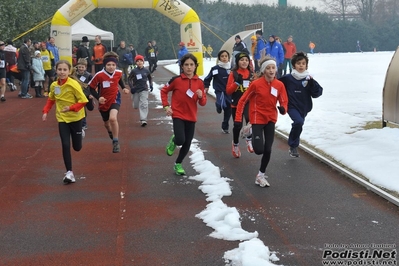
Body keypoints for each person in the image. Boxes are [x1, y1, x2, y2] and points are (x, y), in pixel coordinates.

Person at [234, 56, 288, 187]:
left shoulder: (279, 85)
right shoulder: (256, 84)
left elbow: (284, 101)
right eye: (268, 68)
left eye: (273, 68)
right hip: (257, 118)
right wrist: (237, 119)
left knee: (268, 150)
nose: (271, 70)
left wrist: (283, 109)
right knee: (259, 150)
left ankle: (260, 175)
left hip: (271, 119)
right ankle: (249, 130)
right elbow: (243, 100)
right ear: (264, 70)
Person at [42, 60, 88, 184]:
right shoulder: (54, 85)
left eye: (64, 70)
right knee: (65, 144)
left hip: (76, 118)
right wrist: (45, 111)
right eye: (59, 69)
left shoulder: (73, 84)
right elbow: (51, 99)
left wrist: (71, 108)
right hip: (62, 118)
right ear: (56, 70)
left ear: (69, 71)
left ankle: (80, 132)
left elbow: (83, 101)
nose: (62, 72)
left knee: (77, 147)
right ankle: (69, 172)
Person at [161, 53, 207, 175]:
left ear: (195, 66)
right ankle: (175, 139)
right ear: (182, 66)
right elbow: (164, 91)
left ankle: (178, 164)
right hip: (178, 114)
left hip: (191, 116)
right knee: (181, 140)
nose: (189, 67)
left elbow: (203, 103)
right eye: (186, 65)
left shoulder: (200, 83)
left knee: (187, 143)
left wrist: (201, 96)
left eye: (191, 65)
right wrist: (166, 106)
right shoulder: (176, 80)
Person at [279, 52, 323, 158]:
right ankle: (293, 146)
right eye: (299, 63)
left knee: (299, 124)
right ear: (294, 65)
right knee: (298, 121)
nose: (301, 65)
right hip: (291, 106)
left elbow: (318, 93)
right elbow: (276, 85)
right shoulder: (288, 78)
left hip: (304, 107)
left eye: (303, 63)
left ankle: (293, 143)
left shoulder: (309, 79)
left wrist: (312, 86)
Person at [88, 51, 130, 153]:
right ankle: (110, 131)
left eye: (113, 65)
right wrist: (98, 98)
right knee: (107, 123)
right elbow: (91, 88)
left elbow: (119, 80)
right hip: (103, 102)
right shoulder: (99, 75)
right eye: (108, 65)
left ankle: (115, 141)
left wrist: (124, 88)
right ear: (105, 65)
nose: (111, 67)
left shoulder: (119, 73)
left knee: (113, 118)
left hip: (115, 99)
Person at [226, 52, 254, 158]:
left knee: (250, 122)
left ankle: (249, 139)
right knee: (237, 125)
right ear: (237, 62)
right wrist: (236, 83)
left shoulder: (251, 73)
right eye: (242, 60)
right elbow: (228, 91)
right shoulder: (233, 74)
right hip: (236, 103)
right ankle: (236, 144)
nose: (244, 62)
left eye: (246, 60)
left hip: (248, 102)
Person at [203, 50, 232, 133]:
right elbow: (208, 78)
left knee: (228, 109)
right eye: (222, 56)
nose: (224, 58)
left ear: (228, 58)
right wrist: (206, 86)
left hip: (230, 92)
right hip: (220, 90)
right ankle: (218, 105)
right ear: (219, 58)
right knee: (221, 103)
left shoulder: (232, 68)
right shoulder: (215, 69)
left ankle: (225, 127)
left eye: (226, 56)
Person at [127, 54, 153, 127]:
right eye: (137, 61)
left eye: (141, 61)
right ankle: (136, 104)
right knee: (135, 105)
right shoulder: (134, 71)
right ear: (136, 62)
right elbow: (129, 79)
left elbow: (150, 78)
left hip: (144, 89)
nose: (139, 62)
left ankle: (143, 120)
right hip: (136, 90)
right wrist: (131, 87)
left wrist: (151, 85)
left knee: (144, 104)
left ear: (143, 62)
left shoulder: (146, 70)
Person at [73, 58, 94, 130]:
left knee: (90, 108)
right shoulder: (74, 74)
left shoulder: (88, 75)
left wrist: (91, 94)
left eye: (82, 67)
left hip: (87, 94)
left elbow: (93, 85)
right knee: (81, 109)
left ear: (85, 67)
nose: (80, 68)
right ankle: (83, 124)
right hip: (78, 95)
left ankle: (91, 103)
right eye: (79, 67)